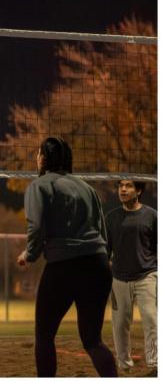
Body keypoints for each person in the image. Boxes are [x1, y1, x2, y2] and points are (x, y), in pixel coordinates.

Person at [16, 136, 117, 377]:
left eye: (38, 153)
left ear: (44, 158)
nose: (36, 157)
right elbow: (101, 229)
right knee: (93, 341)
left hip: (64, 266)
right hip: (98, 265)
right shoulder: (87, 187)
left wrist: (30, 254)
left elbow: (36, 227)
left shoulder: (39, 186)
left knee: (44, 336)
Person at [106, 179, 157, 375]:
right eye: (120, 186)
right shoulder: (111, 218)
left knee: (152, 321)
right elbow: (106, 250)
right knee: (119, 326)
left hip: (147, 276)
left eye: (128, 186)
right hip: (119, 279)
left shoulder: (152, 216)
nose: (123, 189)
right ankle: (124, 366)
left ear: (139, 191)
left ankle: (155, 364)